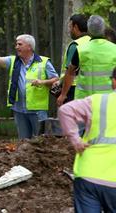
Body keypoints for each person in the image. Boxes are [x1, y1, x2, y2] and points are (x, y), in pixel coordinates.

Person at [0, 34, 59, 139]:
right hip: (19, 110)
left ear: (29, 46)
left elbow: (56, 80)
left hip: (37, 111)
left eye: (20, 44)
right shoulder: (13, 61)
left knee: (41, 140)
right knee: (23, 142)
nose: (16, 47)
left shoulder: (44, 62)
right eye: (16, 44)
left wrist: (42, 82)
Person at [58, 66, 116, 212]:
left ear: (114, 82)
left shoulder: (98, 101)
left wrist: (76, 140)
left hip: (88, 174)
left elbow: (65, 110)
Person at [57, 15, 116, 106]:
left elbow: (70, 72)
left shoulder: (81, 49)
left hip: (85, 101)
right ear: (103, 29)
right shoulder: (114, 49)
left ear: (89, 29)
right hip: (109, 99)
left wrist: (63, 94)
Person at [53, 14, 90, 103]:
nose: (69, 31)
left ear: (75, 27)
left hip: (71, 88)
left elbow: (70, 71)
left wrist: (63, 94)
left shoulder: (75, 45)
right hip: (87, 87)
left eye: (70, 27)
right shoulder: (91, 41)